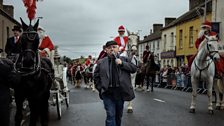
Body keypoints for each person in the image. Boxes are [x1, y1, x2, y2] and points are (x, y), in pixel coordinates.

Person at [94, 40, 137, 126]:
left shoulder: (124, 59)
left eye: (114, 47)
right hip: (107, 93)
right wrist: (101, 88)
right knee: (110, 115)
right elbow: (96, 76)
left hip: (120, 92)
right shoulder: (101, 62)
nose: (112, 49)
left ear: (118, 49)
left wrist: (122, 64)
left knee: (118, 115)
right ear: (106, 50)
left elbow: (134, 68)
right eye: (109, 48)